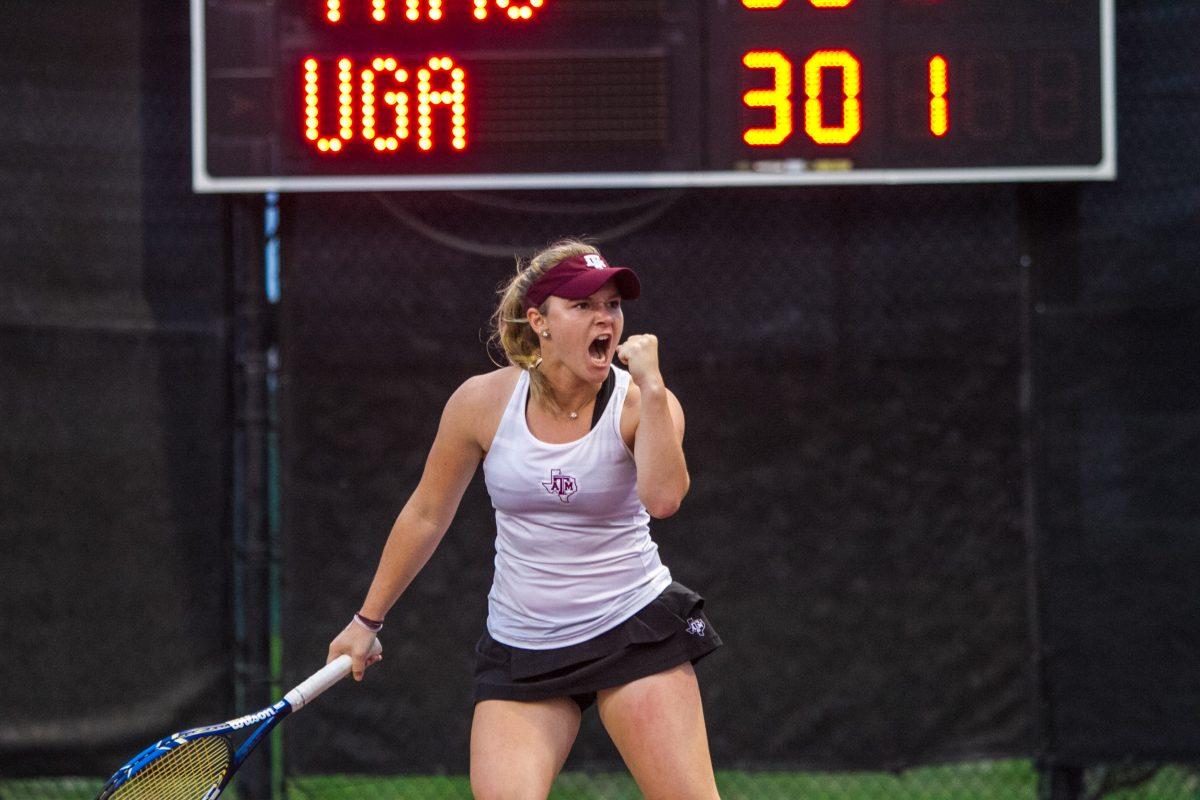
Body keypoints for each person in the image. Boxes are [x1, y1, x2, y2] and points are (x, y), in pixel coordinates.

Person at [326, 239, 723, 800]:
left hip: (630, 628)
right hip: (523, 644)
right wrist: (366, 622)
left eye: (612, 305)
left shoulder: (642, 403)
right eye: (583, 306)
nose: (604, 318)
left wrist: (655, 389)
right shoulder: (481, 403)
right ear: (539, 321)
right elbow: (426, 513)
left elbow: (663, 500)